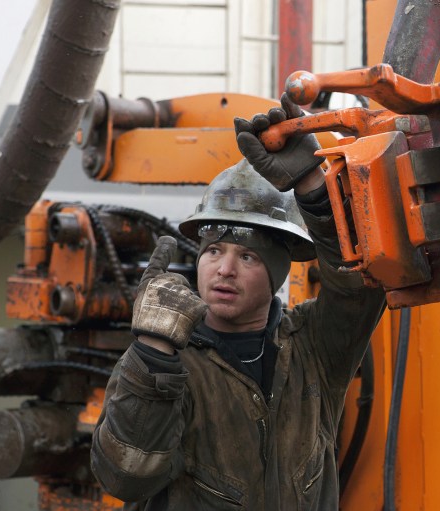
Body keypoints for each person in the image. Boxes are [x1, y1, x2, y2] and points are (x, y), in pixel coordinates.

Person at [90, 94, 387, 510]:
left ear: (278, 272)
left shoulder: (313, 350)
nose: (223, 269)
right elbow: (124, 477)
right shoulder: (166, 363)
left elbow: (359, 284)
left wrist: (314, 188)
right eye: (213, 251)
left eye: (246, 255)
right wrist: (153, 355)